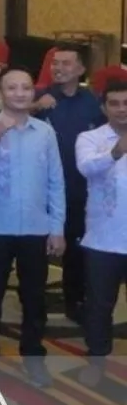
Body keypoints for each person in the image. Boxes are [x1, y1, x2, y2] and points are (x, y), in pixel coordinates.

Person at [0, 66, 66, 388]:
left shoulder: (45, 132)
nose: (20, 93)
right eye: (12, 88)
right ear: (1, 91)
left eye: (26, 87)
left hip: (36, 229)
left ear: (33, 91)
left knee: (34, 299)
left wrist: (57, 227)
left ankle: (33, 357)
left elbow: (56, 181)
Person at [34, 45, 104, 323]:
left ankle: (74, 302)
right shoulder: (38, 98)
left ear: (81, 69)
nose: (58, 68)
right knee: (37, 250)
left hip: (79, 189)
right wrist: (35, 107)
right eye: (55, 63)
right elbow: (11, 119)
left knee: (76, 250)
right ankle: (34, 303)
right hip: (41, 190)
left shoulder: (93, 102)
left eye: (65, 63)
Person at [75, 80, 127, 384]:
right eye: (115, 104)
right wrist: (116, 151)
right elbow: (86, 168)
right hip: (103, 240)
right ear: (104, 108)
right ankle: (97, 360)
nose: (122, 109)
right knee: (99, 306)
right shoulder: (90, 138)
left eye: (126, 103)